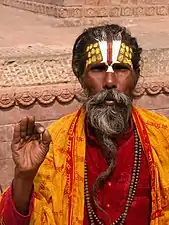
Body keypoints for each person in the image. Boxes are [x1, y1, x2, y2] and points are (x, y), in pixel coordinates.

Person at [0, 24, 169, 225]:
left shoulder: (163, 138)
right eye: (97, 69)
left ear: (136, 76)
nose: (109, 81)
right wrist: (24, 177)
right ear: (80, 77)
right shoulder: (54, 144)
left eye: (120, 69)